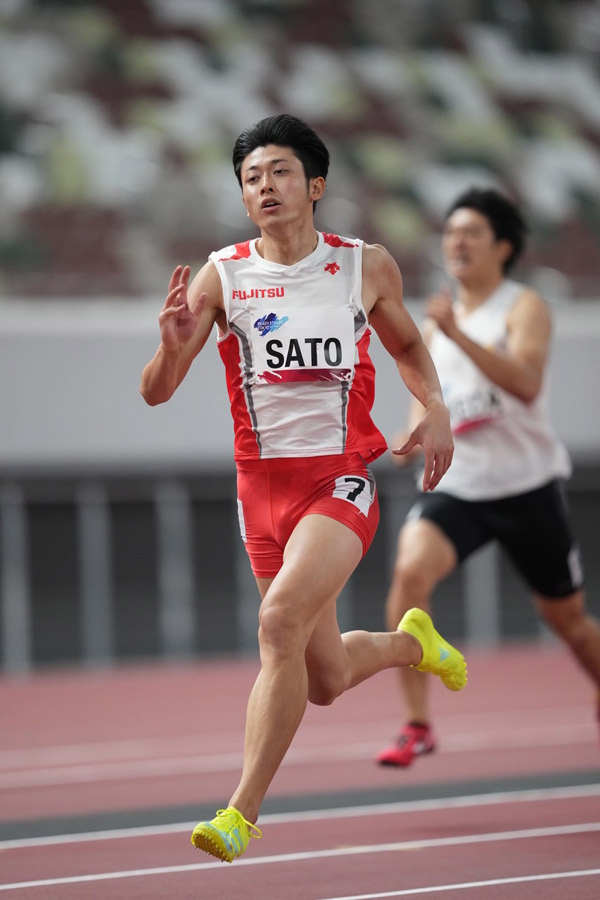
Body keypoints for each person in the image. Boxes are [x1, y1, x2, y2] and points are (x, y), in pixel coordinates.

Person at [140, 114, 467, 863]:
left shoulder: (363, 265)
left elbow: (411, 345)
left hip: (339, 481)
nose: (265, 186)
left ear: (314, 185)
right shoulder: (224, 274)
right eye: (252, 177)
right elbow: (157, 392)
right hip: (260, 495)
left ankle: (239, 814)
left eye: (280, 172)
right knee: (323, 679)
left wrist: (437, 409)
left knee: (278, 624)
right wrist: (168, 349)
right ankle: (412, 644)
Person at [377, 186, 600, 768]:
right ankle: (417, 723)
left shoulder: (523, 306)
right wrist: (406, 442)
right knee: (408, 575)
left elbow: (525, 383)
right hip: (461, 489)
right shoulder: (434, 328)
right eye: (450, 232)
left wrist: (456, 334)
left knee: (571, 625)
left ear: (503, 246)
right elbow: (420, 414)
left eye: (471, 232)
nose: (457, 241)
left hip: (528, 489)